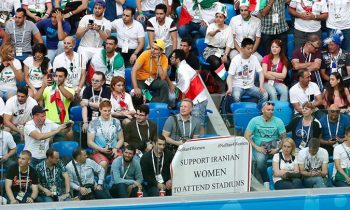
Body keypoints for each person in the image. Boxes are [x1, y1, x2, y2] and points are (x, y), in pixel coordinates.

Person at [244, 101, 287, 185]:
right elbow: (246, 135)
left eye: (272, 110)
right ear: (263, 110)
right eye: (268, 109)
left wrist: (277, 149)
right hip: (260, 147)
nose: (271, 111)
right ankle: (266, 181)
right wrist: (256, 147)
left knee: (286, 157)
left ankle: (282, 180)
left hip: (275, 146)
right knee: (260, 163)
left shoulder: (278, 121)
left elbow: (284, 138)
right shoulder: (255, 121)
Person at [170, 49, 208, 133]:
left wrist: (183, 102)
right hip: (196, 99)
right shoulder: (182, 67)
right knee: (197, 124)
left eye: (172, 57)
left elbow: (186, 85)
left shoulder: (182, 69)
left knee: (199, 125)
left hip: (198, 100)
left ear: (178, 59)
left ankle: (202, 143)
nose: (170, 59)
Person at [34, 67, 75, 140]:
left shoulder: (70, 89)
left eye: (60, 76)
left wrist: (58, 85)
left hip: (63, 123)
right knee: (48, 142)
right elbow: (35, 99)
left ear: (65, 78)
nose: (58, 78)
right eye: (56, 76)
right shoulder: (47, 89)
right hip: (48, 123)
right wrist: (43, 87)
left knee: (69, 136)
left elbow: (69, 97)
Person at [226, 38, 268, 107]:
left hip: (250, 87)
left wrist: (261, 86)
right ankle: (239, 114)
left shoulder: (254, 58)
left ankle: (259, 111)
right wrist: (230, 88)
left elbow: (261, 73)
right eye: (248, 49)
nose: (251, 51)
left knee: (265, 94)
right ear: (242, 48)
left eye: (252, 48)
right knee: (236, 96)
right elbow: (229, 76)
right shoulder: (235, 59)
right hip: (237, 86)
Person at [87, 100, 124, 171]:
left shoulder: (116, 121)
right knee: (103, 163)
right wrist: (101, 149)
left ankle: (118, 181)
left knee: (120, 162)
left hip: (114, 150)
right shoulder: (93, 123)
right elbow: (89, 142)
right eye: (105, 111)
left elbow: (121, 139)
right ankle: (102, 181)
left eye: (109, 110)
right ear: (100, 110)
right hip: (99, 150)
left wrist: (116, 148)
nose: (107, 113)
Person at [131, 39, 170, 104]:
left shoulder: (164, 58)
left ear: (161, 51)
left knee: (164, 83)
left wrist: (158, 63)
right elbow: (134, 70)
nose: (153, 50)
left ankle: (162, 105)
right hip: (140, 79)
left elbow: (163, 77)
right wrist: (135, 87)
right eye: (152, 48)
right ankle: (151, 103)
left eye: (156, 49)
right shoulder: (145, 54)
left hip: (151, 79)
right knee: (141, 95)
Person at [203, 3, 233, 75]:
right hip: (210, 50)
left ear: (225, 18)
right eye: (217, 17)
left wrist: (225, 55)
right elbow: (210, 34)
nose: (218, 19)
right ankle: (216, 79)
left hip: (222, 51)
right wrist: (215, 31)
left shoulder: (229, 29)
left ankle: (226, 81)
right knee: (216, 62)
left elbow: (229, 44)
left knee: (228, 63)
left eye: (220, 17)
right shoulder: (211, 26)